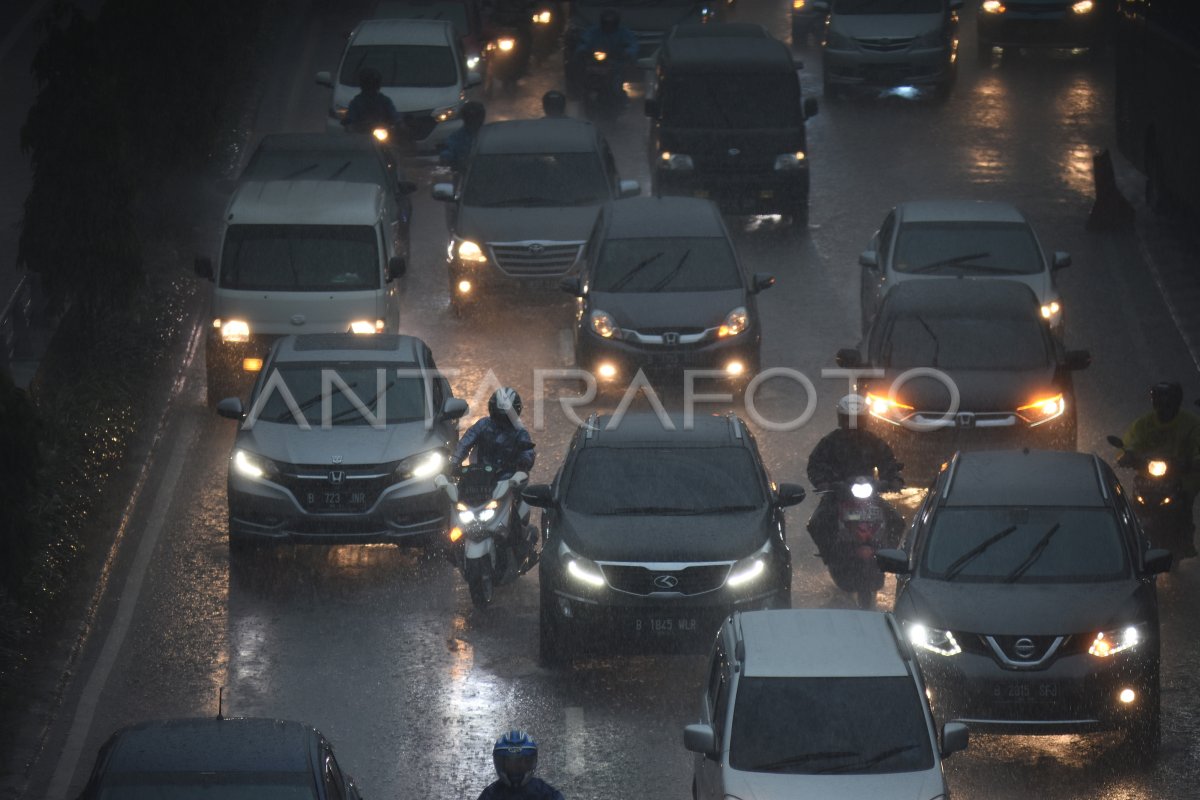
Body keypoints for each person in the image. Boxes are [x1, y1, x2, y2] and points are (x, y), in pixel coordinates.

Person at [806, 395, 905, 557]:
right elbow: (815, 464)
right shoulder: (830, 442)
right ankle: (829, 554)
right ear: (841, 419)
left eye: (857, 420)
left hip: (870, 496)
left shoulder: (873, 441)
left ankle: (888, 555)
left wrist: (893, 480)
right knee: (817, 523)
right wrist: (824, 483)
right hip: (836, 496)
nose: (853, 425)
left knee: (897, 521)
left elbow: (888, 462)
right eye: (848, 419)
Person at [1117, 381, 1200, 557]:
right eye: (1159, 403)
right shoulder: (1143, 424)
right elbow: (1130, 442)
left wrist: (1192, 462)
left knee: (1184, 504)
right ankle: (1125, 537)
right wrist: (1128, 455)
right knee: (1129, 505)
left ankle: (1184, 542)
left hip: (1182, 476)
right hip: (1149, 477)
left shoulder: (1192, 424)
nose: (1163, 409)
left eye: (1167, 404)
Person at [477, 730, 564, 800]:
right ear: (501, 764)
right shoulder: (490, 794)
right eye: (510, 763)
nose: (516, 767)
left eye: (521, 762)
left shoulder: (546, 793)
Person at [574, 8, 638, 100]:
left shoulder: (624, 33)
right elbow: (583, 42)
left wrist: (626, 52)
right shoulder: (593, 32)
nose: (608, 26)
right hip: (594, 63)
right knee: (578, 73)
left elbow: (632, 46)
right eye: (606, 23)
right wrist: (582, 51)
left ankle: (620, 97)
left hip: (616, 63)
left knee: (619, 81)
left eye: (611, 24)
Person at [342, 67, 400, 133]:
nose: (370, 86)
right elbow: (351, 116)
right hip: (361, 134)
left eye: (374, 84)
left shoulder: (385, 100)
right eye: (368, 83)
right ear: (363, 84)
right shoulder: (357, 101)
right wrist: (348, 122)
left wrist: (398, 122)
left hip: (383, 133)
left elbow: (394, 115)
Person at [439, 101, 487, 173]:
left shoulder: (456, 137)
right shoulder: (456, 138)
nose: (474, 121)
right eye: (470, 118)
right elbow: (446, 156)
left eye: (476, 118)